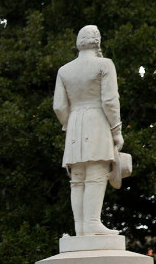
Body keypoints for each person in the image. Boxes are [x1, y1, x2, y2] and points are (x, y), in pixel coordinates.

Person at [53, 25, 123, 236]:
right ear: (98, 42)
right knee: (95, 172)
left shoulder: (64, 70)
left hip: (75, 122)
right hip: (97, 120)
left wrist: (70, 123)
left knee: (78, 177)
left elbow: (58, 106)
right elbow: (110, 100)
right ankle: (92, 222)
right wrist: (116, 130)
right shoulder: (104, 65)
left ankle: (81, 227)